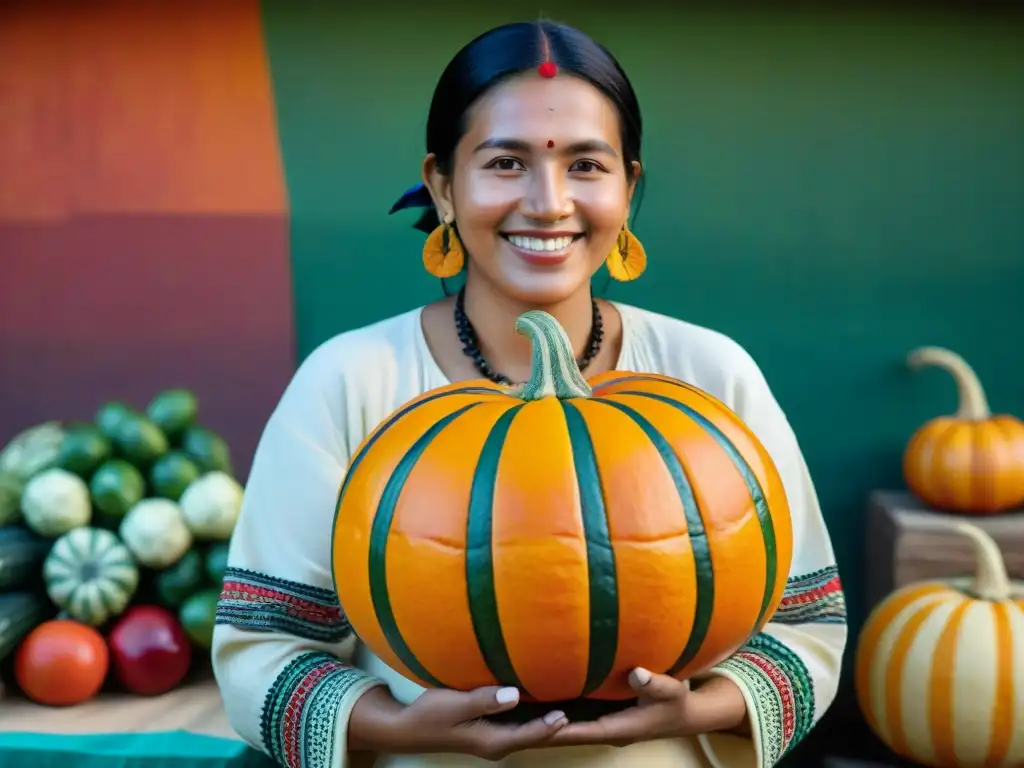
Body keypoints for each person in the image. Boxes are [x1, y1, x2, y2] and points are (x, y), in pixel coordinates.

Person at [212, 19, 847, 768]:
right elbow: (261, 653)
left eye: (586, 165)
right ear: (444, 185)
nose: (548, 203)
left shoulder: (710, 374)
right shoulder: (348, 382)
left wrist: (699, 707)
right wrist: (398, 728)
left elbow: (809, 625)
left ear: (628, 186)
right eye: (506, 163)